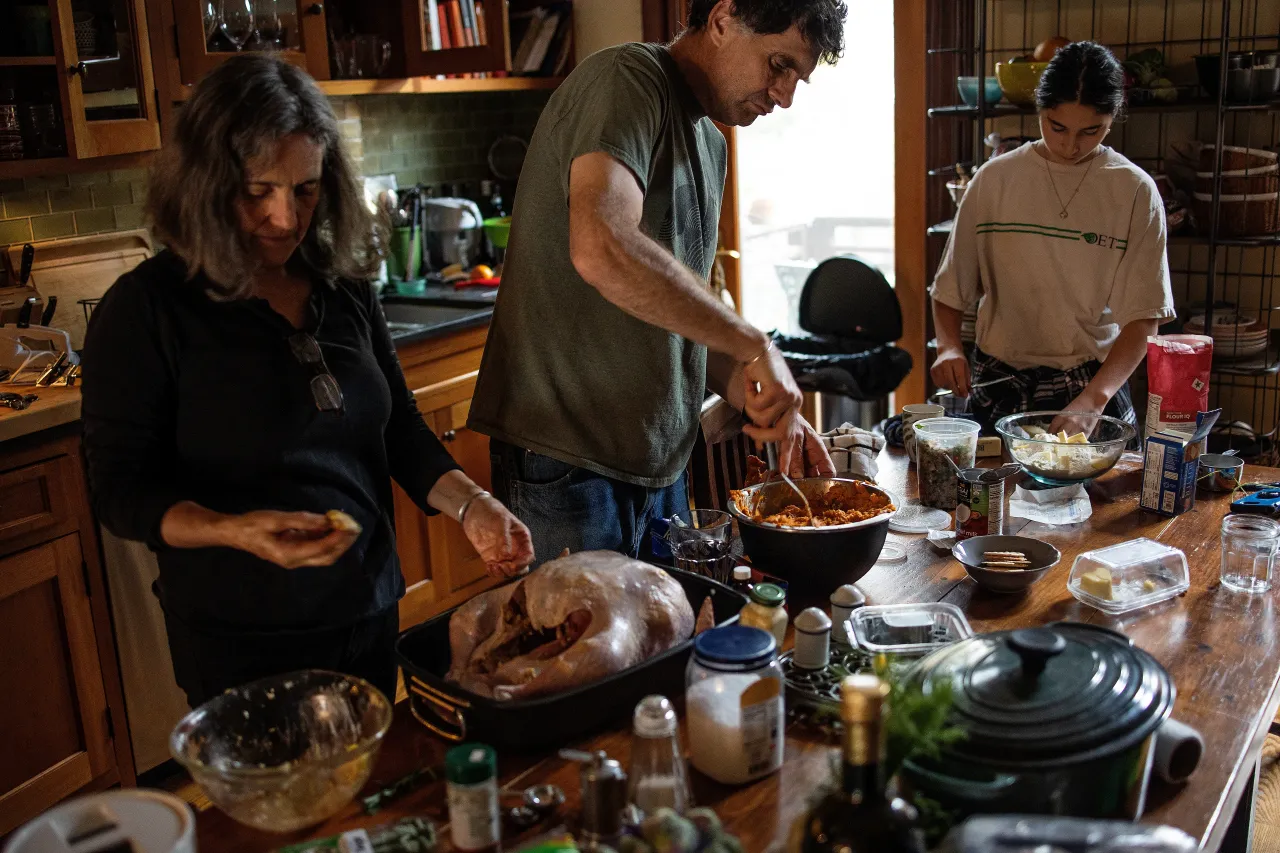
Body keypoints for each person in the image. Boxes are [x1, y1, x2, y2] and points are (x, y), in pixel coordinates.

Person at [81, 54, 534, 707]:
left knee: (372, 795)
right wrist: (236, 530)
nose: (286, 219)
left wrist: (473, 505)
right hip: (241, 634)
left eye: (305, 189)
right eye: (257, 190)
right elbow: (121, 491)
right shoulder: (147, 309)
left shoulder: (342, 287)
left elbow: (399, 429)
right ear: (206, 182)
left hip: (369, 609)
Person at [468, 0, 847, 562]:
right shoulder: (627, 81)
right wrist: (754, 344)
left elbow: (673, 314)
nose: (785, 95)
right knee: (584, 650)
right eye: (778, 64)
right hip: (569, 459)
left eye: (797, 78)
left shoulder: (711, 144)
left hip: (660, 461)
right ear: (722, 20)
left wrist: (758, 397)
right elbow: (602, 245)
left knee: (666, 646)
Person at [930, 41, 1175, 436]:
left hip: (1091, 383)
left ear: (1113, 119)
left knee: (1098, 498)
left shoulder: (1134, 191)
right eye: (1056, 126)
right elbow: (949, 289)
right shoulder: (994, 180)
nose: (1069, 144)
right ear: (1039, 110)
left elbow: (1144, 320)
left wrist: (1094, 401)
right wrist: (949, 347)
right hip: (999, 381)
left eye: (1090, 130)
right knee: (990, 496)